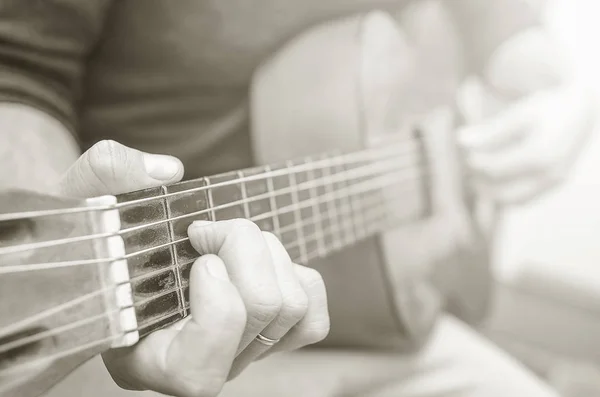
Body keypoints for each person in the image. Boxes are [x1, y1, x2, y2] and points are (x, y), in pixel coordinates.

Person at [0, 1, 594, 396]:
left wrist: (558, 91)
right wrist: (90, 263)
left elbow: (495, 19)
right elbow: (18, 73)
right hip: (171, 322)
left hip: (385, 315)